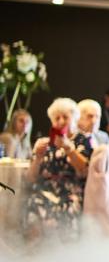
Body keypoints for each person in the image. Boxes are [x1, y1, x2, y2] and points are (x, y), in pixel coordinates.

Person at [22, 98, 93, 242]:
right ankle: (35, 250)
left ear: (74, 119)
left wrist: (68, 149)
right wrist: (38, 158)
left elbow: (85, 170)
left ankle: (65, 251)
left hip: (70, 192)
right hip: (45, 191)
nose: (61, 121)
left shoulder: (82, 140)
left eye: (65, 117)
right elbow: (30, 178)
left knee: (66, 207)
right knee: (32, 203)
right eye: (57, 118)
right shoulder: (45, 143)